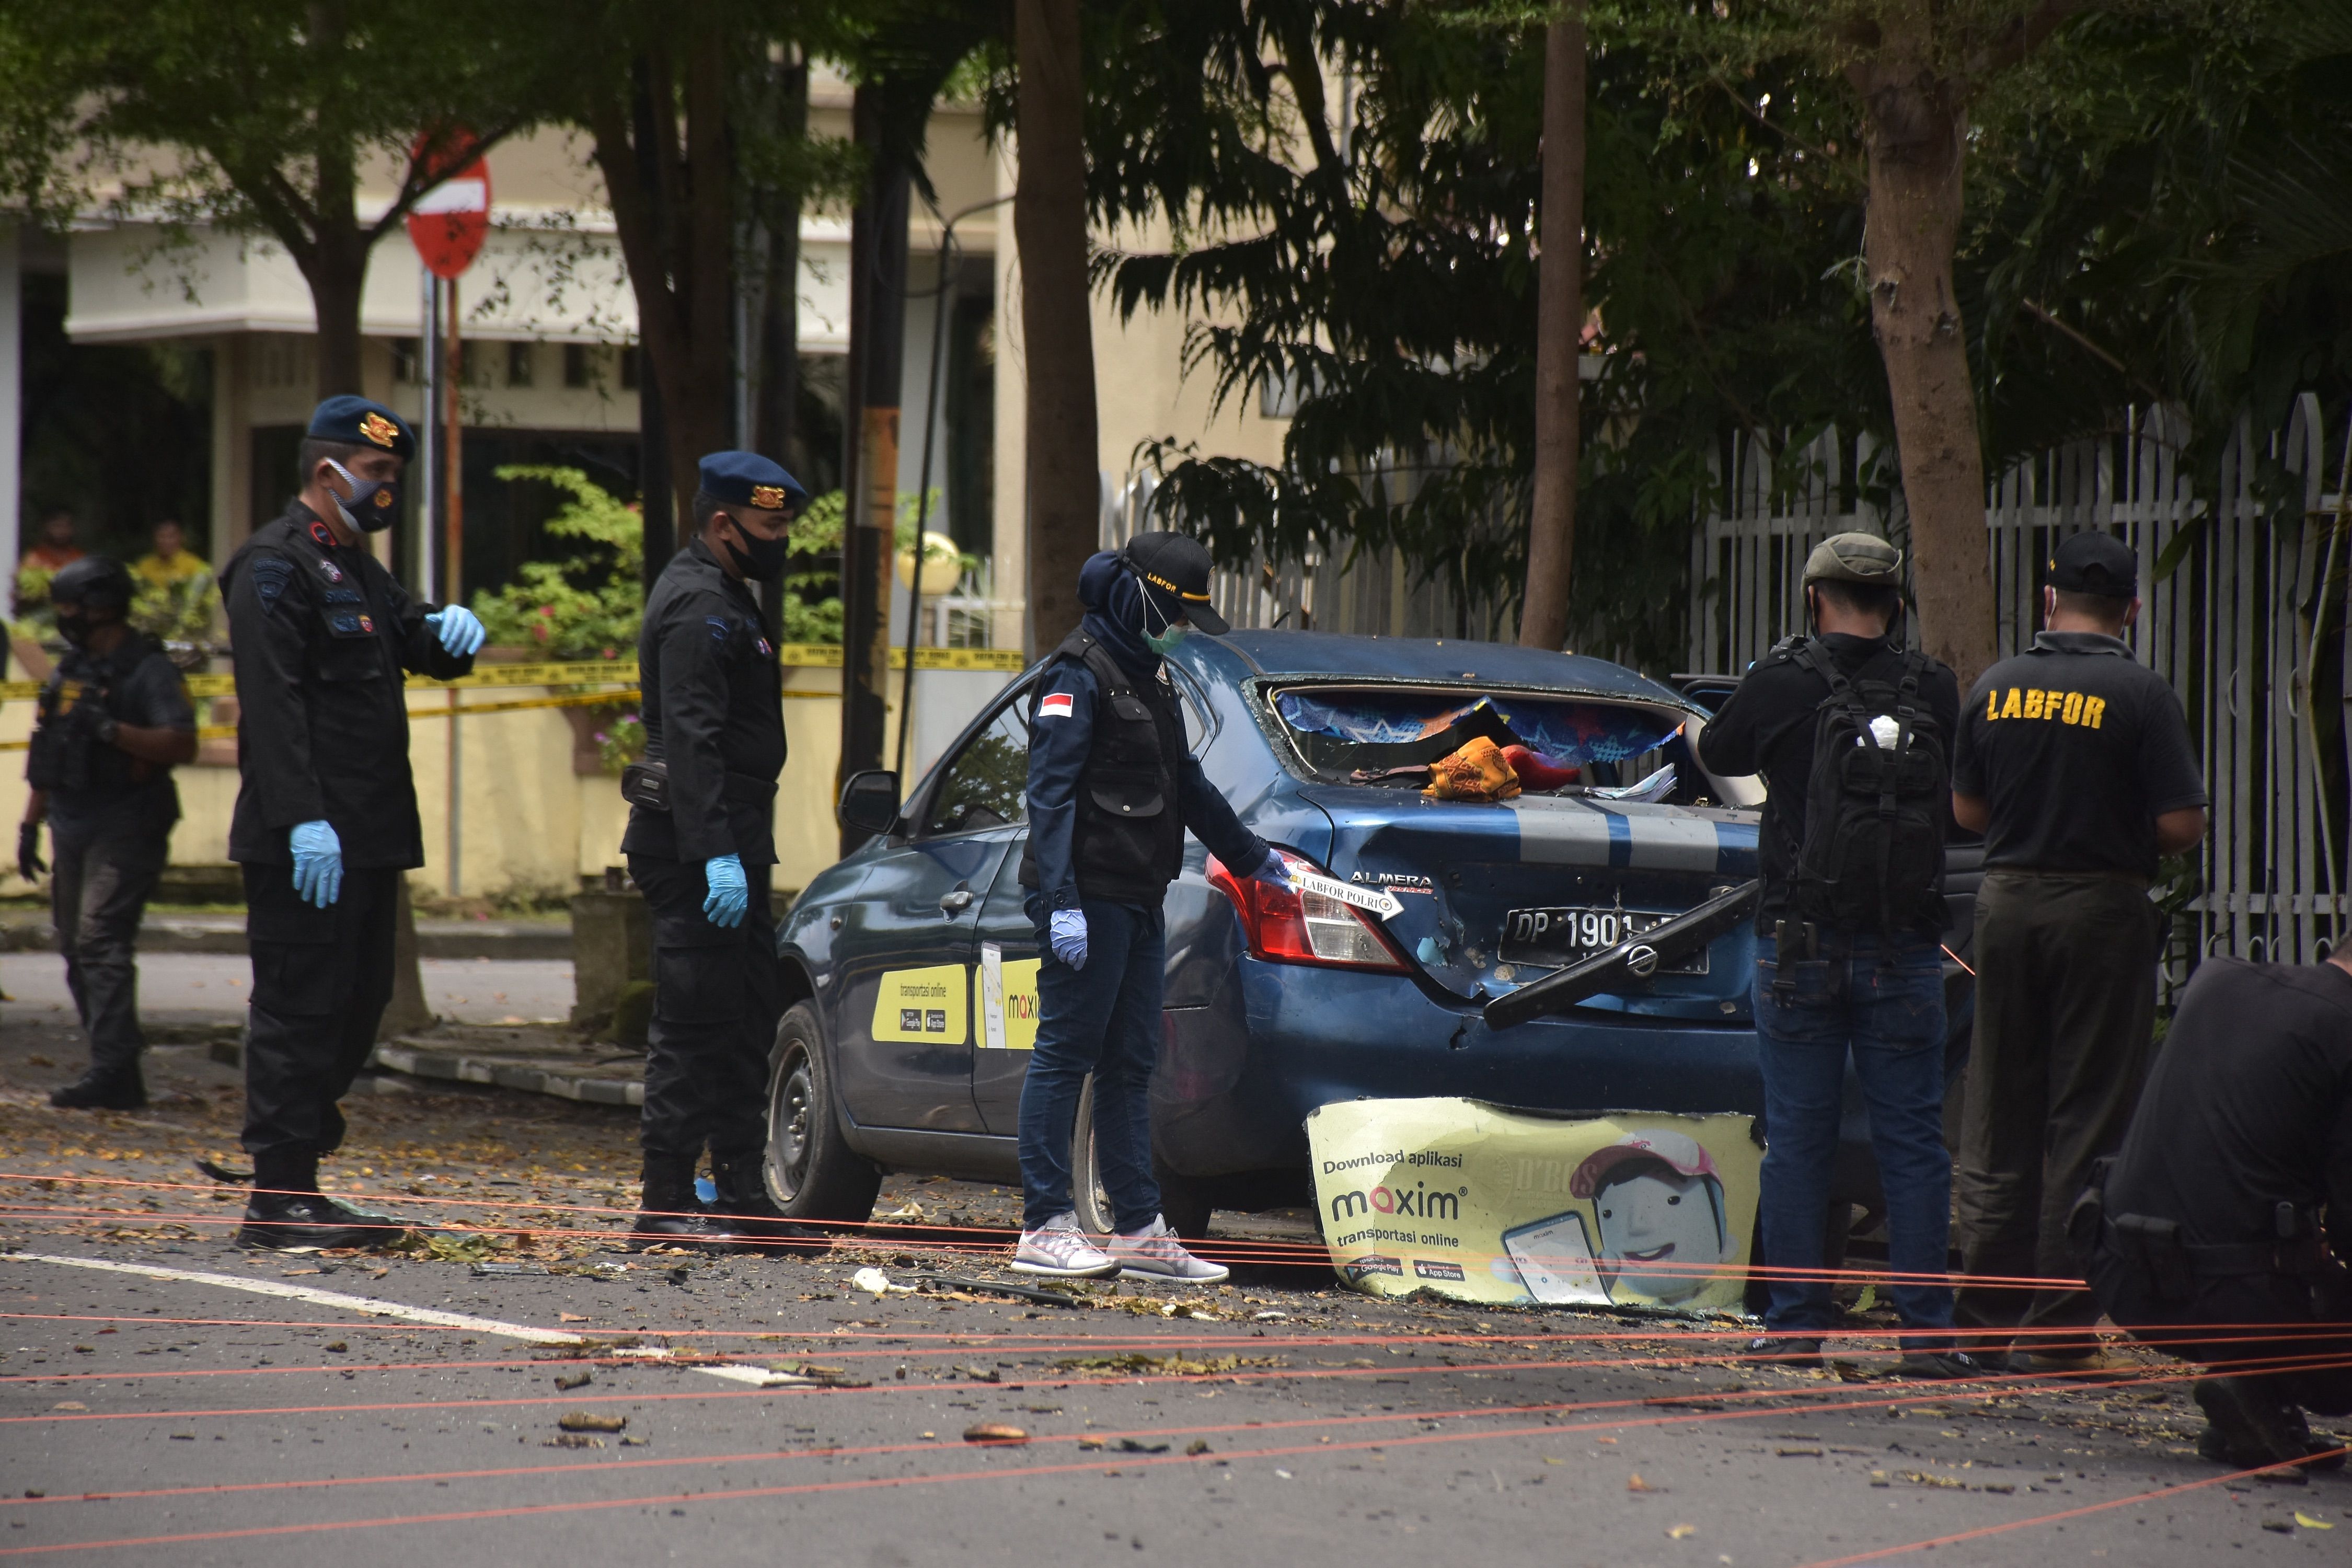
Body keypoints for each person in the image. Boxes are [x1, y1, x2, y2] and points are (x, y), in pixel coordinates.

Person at [1697, 532, 1980, 1377]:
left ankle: (1794, 1327)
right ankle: (1929, 1335)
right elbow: (1961, 801)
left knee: (1798, 1140)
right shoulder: (1933, 686)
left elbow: (1717, 756)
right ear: (1896, 604)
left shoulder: (1782, 679)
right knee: (1914, 1145)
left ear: (1813, 598)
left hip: (1800, 946)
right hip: (1904, 948)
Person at [218, 396, 486, 1251]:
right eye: (376, 475)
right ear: (327, 470)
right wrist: (303, 819)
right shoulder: (273, 565)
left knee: (359, 1003)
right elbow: (275, 704)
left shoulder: (357, 569)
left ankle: (298, 1153)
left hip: (367, 837)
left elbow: (416, 640)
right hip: (308, 842)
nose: (385, 493)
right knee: (300, 1006)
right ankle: (281, 1192)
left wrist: (454, 634)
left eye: (394, 479)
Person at [1950, 530, 2208, 1372]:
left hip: (2007, 905)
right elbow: (2180, 828)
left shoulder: (1995, 687)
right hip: (2100, 910)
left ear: (2048, 600)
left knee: (1999, 1108)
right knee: (2088, 1115)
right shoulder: (2141, 696)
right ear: (2132, 609)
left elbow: (1968, 813)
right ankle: (2056, 1330)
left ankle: (1984, 1318)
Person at [1010, 532, 1291, 1283]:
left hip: (1137, 896)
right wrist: (1062, 902)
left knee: (1131, 1064)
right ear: (1138, 595)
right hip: (1088, 896)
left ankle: (1137, 1230)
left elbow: (1188, 785)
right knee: (1066, 1055)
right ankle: (1044, 1225)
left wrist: (1254, 858)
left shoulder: (1149, 676)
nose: (1178, 630)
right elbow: (1051, 797)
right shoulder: (1079, 674)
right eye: (1173, 614)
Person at [620, 451, 813, 1252]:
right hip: (697, 844)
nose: (782, 542)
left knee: (742, 1022)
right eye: (770, 527)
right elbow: (693, 739)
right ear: (723, 523)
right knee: (694, 1021)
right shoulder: (699, 604)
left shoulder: (729, 594)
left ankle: (740, 1192)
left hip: (734, 838)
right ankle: (664, 1197)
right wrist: (713, 856)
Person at [2077, 947, 2351, 1479]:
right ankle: (2250, 1374)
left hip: (2120, 1273)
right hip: (2237, 1297)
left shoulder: (2219, 977)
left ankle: (2255, 1406)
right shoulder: (2344, 1030)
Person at [17, 556, 197, 1109]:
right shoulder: (69, 670)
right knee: (74, 944)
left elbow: (180, 743)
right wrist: (30, 823)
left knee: (100, 939)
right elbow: (49, 748)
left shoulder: (148, 670)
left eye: (72, 610)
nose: (65, 619)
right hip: (72, 818)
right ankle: (111, 1064)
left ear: (102, 609)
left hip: (128, 819)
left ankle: (116, 1071)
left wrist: (113, 731)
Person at [131, 519, 219, 644]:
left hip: (184, 634)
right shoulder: (144, 566)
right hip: (151, 633)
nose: (166, 541)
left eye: (171, 536)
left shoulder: (193, 566)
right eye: (162, 537)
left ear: (181, 538)